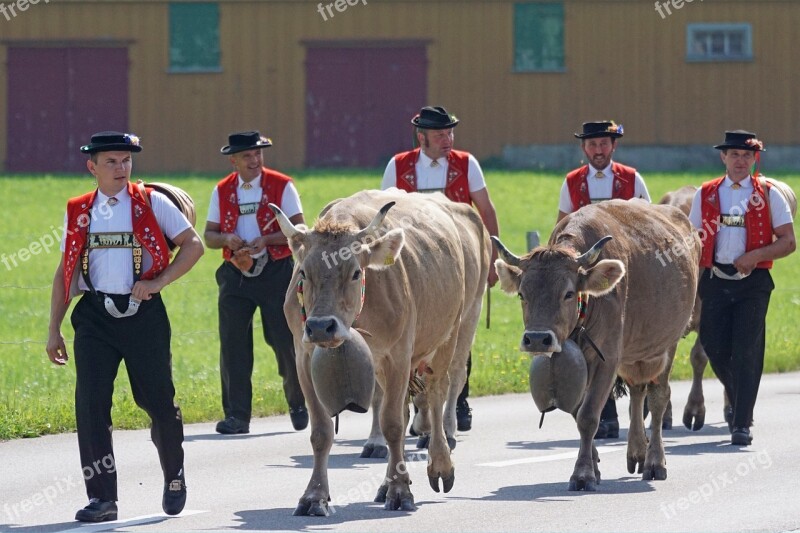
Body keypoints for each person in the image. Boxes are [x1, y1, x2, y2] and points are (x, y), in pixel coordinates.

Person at [46, 131, 204, 522]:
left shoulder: (152, 202)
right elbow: (64, 272)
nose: (121, 168)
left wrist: (158, 282)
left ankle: (174, 475)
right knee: (91, 406)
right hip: (95, 317)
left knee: (159, 405)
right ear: (92, 167)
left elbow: (194, 245)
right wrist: (54, 329)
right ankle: (103, 499)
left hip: (144, 315)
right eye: (111, 162)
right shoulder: (79, 210)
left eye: (126, 161)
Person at [381, 105, 500, 432]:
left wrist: (492, 258)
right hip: (416, 262)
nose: (447, 140)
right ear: (422, 137)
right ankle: (415, 404)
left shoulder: (467, 164)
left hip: (458, 257)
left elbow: (486, 211)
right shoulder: (398, 166)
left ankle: (457, 401)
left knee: (460, 328)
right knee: (415, 334)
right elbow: (385, 213)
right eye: (440, 135)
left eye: (450, 133)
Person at [688, 130, 795, 446]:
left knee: (747, 349)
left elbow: (789, 241)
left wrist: (755, 256)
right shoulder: (705, 193)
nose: (740, 160)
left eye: (746, 155)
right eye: (734, 154)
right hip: (715, 280)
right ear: (723, 157)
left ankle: (741, 421)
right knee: (713, 344)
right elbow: (694, 238)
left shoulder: (769, 194)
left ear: (754, 158)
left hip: (754, 283)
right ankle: (739, 394)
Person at [204, 131, 307, 435]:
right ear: (233, 160)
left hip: (276, 270)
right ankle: (237, 416)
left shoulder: (282, 184)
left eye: (258, 154)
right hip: (234, 273)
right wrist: (226, 238)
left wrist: (267, 239)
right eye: (247, 156)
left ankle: (299, 402)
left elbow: (299, 228)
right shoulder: (221, 191)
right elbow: (209, 235)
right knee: (233, 345)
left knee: (284, 341)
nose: (254, 160)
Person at [557, 120, 652, 439]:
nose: (598, 150)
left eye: (604, 144)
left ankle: (643, 393)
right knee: (589, 338)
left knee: (629, 333)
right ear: (584, 148)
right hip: (586, 275)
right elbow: (563, 230)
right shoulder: (572, 182)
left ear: (614, 147)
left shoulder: (632, 178)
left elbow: (648, 224)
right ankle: (605, 412)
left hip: (626, 269)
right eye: (592, 144)